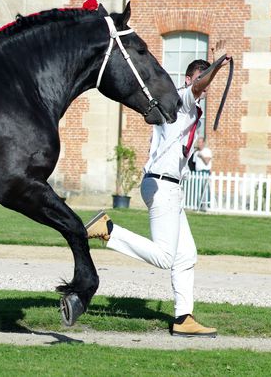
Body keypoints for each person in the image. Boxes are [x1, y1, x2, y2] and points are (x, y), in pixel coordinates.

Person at [85, 41, 232, 338]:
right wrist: (216, 63)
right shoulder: (180, 99)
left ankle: (183, 318)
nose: (204, 86)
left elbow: (201, 86)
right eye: (200, 79)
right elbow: (200, 84)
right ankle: (109, 229)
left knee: (186, 255)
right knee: (166, 256)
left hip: (169, 187)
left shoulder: (188, 104)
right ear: (189, 79)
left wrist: (212, 67)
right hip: (162, 184)